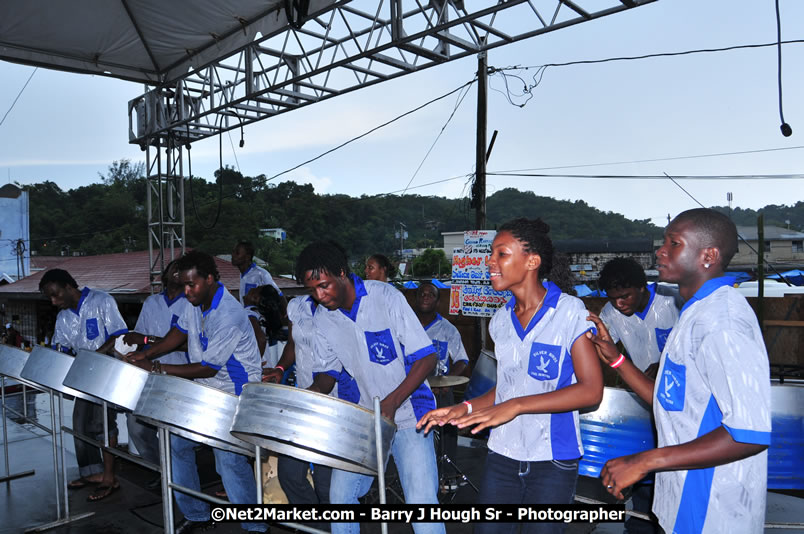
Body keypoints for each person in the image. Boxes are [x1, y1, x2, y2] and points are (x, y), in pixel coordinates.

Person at [589, 208, 771, 534]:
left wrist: (644, 461)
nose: (660, 250)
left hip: (711, 512)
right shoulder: (693, 313)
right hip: (678, 505)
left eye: (674, 243)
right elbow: (667, 401)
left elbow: (748, 433)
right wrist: (617, 360)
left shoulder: (723, 320)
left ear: (708, 256)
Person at [417, 218, 603, 534]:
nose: (490, 261)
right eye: (491, 254)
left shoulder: (571, 312)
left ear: (532, 261)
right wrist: (465, 408)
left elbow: (591, 392)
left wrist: (516, 406)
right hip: (502, 454)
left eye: (501, 254)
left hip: (552, 459)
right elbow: (506, 388)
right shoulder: (500, 321)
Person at [297, 241, 444, 534]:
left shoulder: (385, 297)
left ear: (342, 273)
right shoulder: (323, 317)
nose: (320, 296)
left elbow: (427, 358)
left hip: (408, 416)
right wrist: (300, 401)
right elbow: (328, 376)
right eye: (312, 290)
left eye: (324, 286)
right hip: (363, 419)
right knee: (340, 499)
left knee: (421, 504)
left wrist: (390, 404)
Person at [127, 251, 266, 534]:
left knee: (228, 459)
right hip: (208, 391)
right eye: (183, 285)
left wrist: (156, 367)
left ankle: (255, 526)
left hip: (235, 395)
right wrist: (146, 354)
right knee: (177, 445)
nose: (186, 291)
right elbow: (178, 333)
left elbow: (207, 368)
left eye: (192, 285)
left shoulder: (228, 314)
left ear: (210, 279)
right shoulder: (195, 302)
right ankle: (196, 514)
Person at [262, 291, 358, 511]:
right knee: (290, 474)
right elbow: (293, 345)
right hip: (306, 401)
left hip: (335, 406)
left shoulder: (341, 306)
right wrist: (280, 368)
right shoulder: (297, 305)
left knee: (327, 486)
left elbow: (327, 379)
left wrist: (300, 398)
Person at [39, 268, 128, 502]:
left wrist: (95, 356)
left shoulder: (101, 301)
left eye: (56, 294)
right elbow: (63, 348)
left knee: (104, 424)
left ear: (69, 287)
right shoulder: (64, 317)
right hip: (83, 374)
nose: (54, 301)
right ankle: (92, 474)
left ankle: (110, 478)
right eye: (49, 297)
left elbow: (119, 336)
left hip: (105, 370)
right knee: (79, 424)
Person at [121, 259, 192, 469]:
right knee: (136, 427)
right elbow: (138, 338)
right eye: (174, 269)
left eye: (182, 270)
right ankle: (162, 471)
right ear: (165, 274)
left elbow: (189, 345)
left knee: (175, 436)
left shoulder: (191, 302)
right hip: (150, 375)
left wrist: (147, 340)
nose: (178, 273)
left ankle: (178, 480)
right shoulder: (152, 302)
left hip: (180, 376)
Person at [412, 281, 469, 484]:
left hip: (440, 391)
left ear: (437, 301)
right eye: (422, 294)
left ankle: (448, 472)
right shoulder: (406, 325)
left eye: (431, 294)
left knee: (448, 429)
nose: (426, 297)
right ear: (416, 298)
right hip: (412, 391)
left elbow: (462, 360)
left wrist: (446, 381)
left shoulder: (448, 329)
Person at [597, 257, 679, 379]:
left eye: (625, 297)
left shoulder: (673, 302)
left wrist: (665, 365)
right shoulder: (610, 313)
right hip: (644, 383)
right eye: (612, 298)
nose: (618, 304)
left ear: (641, 287)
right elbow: (601, 347)